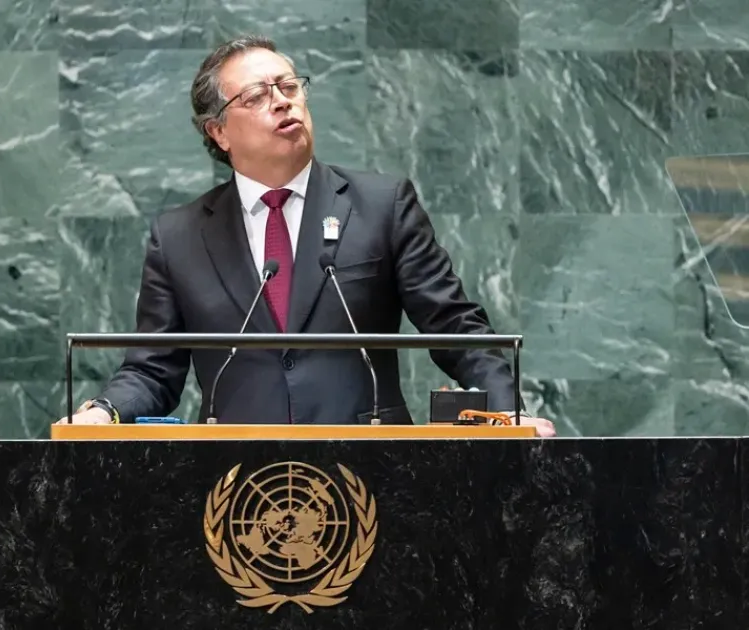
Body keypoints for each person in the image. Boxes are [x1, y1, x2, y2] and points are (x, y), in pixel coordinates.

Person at [57, 34, 555, 437]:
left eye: (289, 86)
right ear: (219, 133)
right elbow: (153, 370)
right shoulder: (179, 236)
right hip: (233, 483)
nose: (282, 102)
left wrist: (510, 413)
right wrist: (103, 412)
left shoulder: (381, 205)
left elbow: (453, 327)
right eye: (256, 96)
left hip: (376, 469)